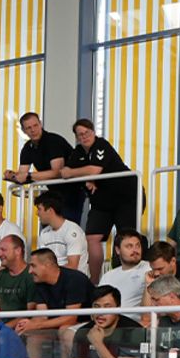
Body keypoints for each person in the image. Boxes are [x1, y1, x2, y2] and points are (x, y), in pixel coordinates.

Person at [63, 118, 137, 279]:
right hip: (102, 201)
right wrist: (85, 178)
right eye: (80, 134)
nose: (84, 137)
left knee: (124, 237)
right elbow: (66, 171)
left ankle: (125, 276)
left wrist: (83, 175)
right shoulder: (78, 152)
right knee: (92, 237)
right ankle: (95, 281)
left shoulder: (101, 145)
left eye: (87, 132)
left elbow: (94, 169)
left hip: (126, 196)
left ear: (93, 132)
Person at [3, 112, 81, 225]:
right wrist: (11, 176)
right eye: (28, 128)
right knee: (48, 228)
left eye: (35, 125)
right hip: (54, 192)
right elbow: (22, 176)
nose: (33, 130)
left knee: (66, 227)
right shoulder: (27, 148)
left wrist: (29, 176)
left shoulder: (53, 140)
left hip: (73, 189)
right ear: (24, 131)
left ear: (41, 124)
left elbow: (58, 173)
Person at [34, 192, 90, 277]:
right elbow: (41, 261)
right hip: (52, 279)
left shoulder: (72, 231)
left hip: (74, 281)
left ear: (50, 210)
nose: (37, 213)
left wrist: (47, 271)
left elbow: (72, 267)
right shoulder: (44, 233)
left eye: (39, 209)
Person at [99, 231, 151, 308]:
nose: (135, 250)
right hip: (111, 317)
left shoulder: (149, 268)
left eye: (138, 246)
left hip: (136, 319)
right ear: (117, 250)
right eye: (129, 246)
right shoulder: (107, 276)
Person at [0, 235, 35, 312]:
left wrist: (7, 324)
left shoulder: (32, 275)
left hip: (22, 323)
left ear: (18, 251)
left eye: (3, 250)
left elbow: (30, 312)